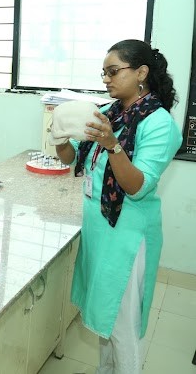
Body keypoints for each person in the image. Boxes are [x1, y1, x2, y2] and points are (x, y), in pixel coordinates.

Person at [54, 40, 181, 374]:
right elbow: (73, 160)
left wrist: (112, 144)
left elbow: (137, 186)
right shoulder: (111, 114)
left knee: (122, 326)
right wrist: (58, 135)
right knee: (105, 319)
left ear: (141, 73)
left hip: (127, 234)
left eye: (113, 72)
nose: (106, 80)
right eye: (104, 73)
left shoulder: (158, 124)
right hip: (100, 228)